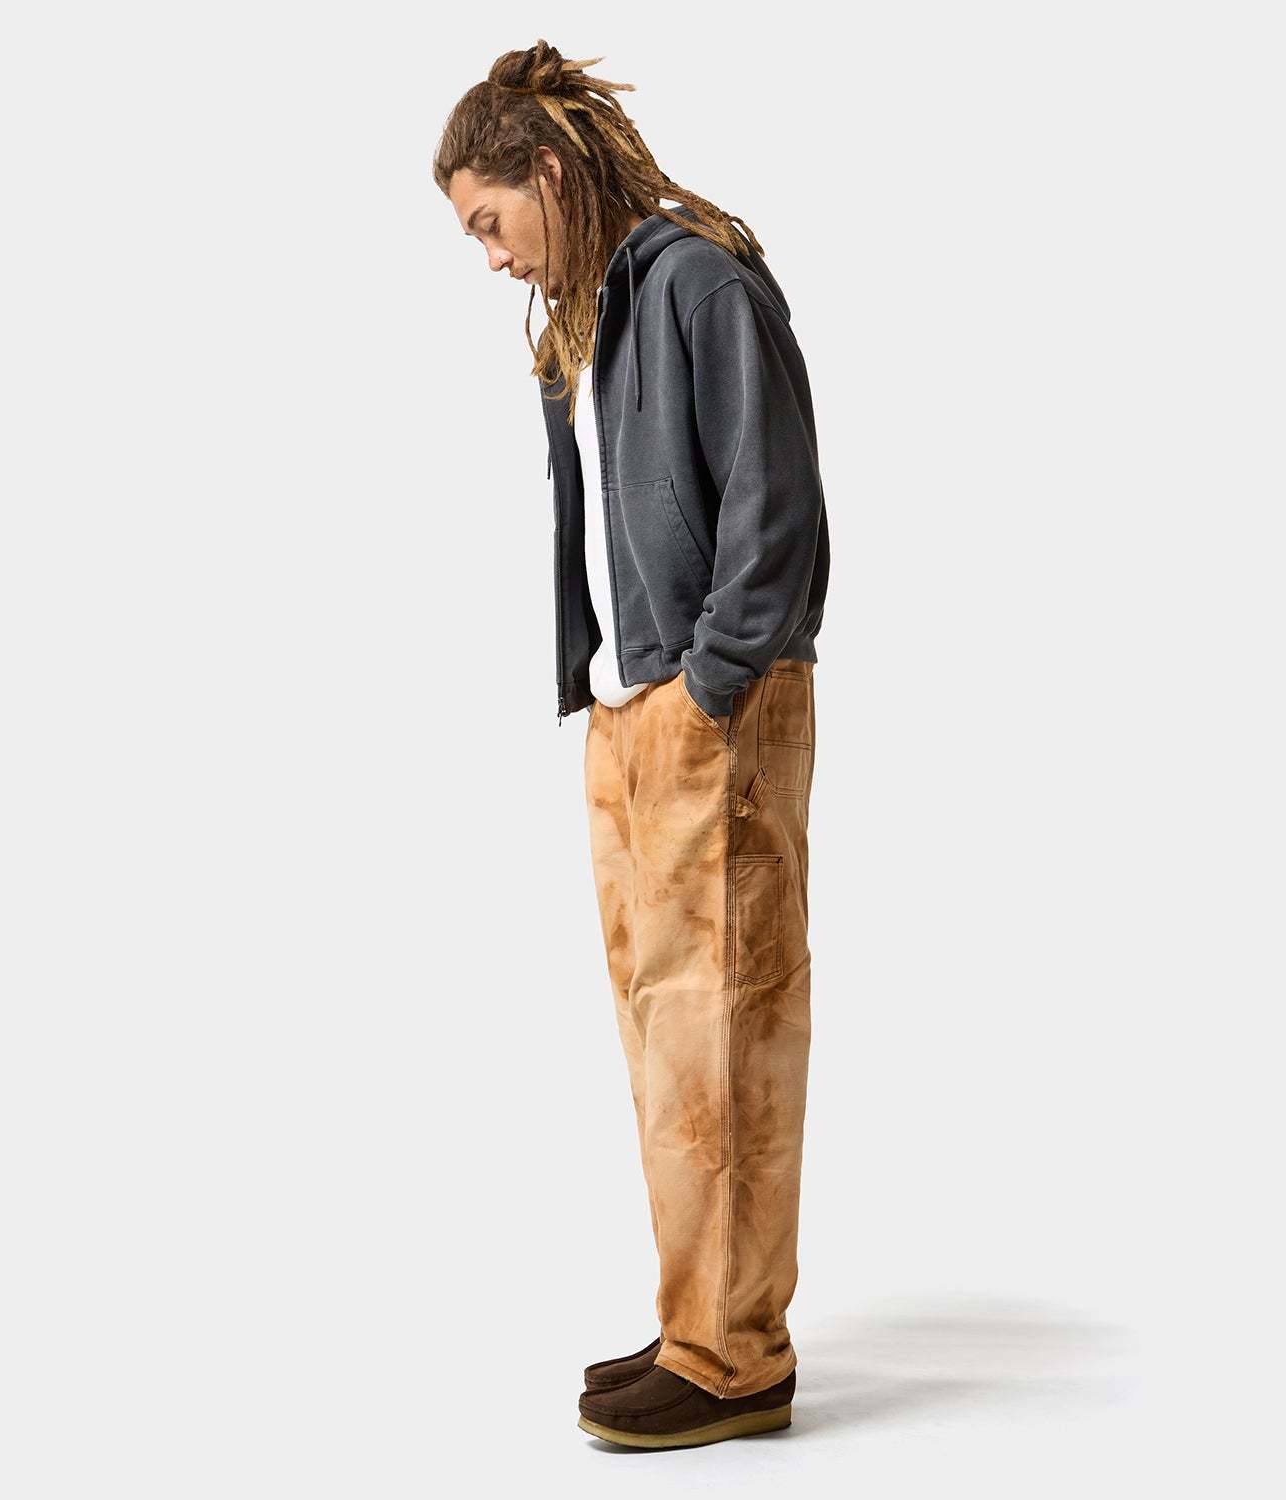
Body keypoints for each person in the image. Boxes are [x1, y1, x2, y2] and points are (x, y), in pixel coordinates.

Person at [434, 40, 831, 1450]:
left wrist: (708, 689)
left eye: (492, 222)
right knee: (674, 1043)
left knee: (728, 1029)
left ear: (549, 172)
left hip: (711, 707)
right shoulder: (588, 314)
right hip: (628, 714)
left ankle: (736, 1362)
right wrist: (613, 696)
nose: (491, 257)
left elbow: (777, 512)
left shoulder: (699, 283)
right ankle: (698, 1326)